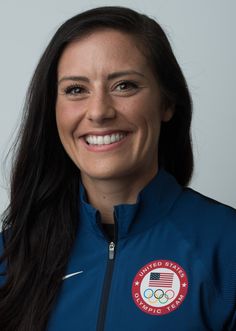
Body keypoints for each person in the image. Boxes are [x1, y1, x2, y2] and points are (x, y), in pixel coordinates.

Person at [0, 5, 235, 331]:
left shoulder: (227, 246)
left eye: (124, 85)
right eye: (76, 90)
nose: (98, 112)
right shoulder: (10, 255)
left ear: (167, 102)